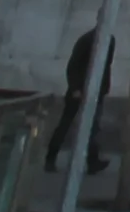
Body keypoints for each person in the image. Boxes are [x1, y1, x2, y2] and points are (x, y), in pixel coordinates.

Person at [45, 24, 114, 175]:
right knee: (66, 124)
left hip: (96, 91)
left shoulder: (109, 40)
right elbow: (73, 66)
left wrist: (103, 89)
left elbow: (106, 66)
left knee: (92, 127)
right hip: (80, 91)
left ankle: (92, 161)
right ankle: (50, 158)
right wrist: (76, 88)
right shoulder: (87, 40)